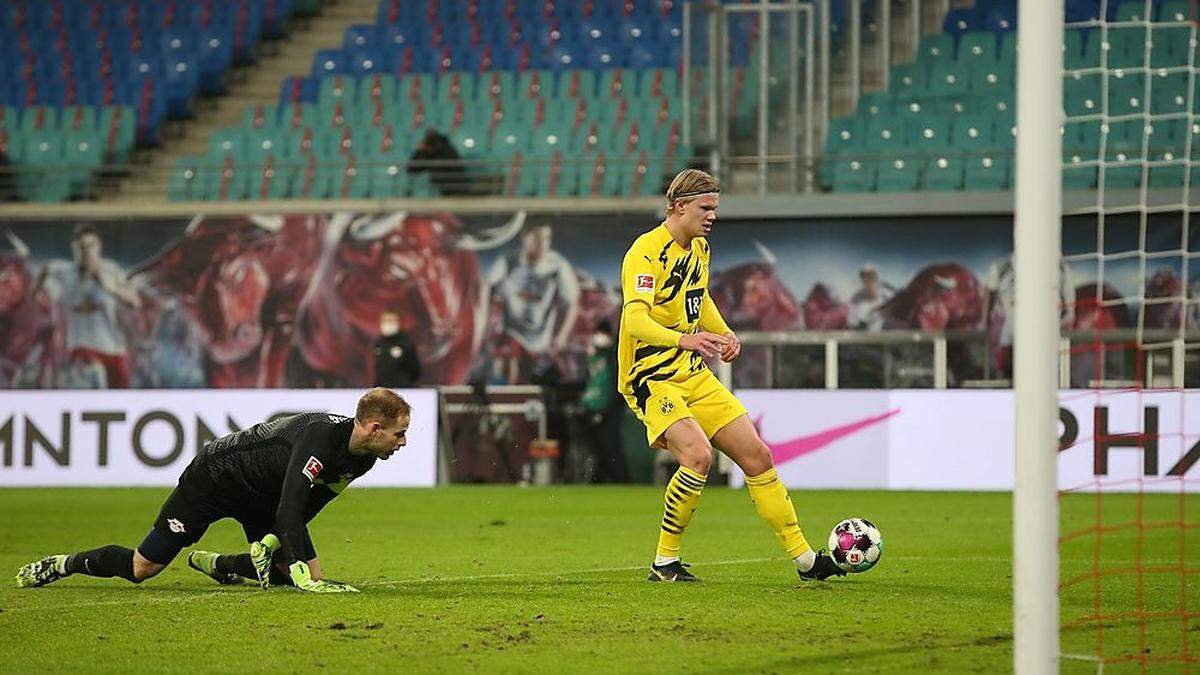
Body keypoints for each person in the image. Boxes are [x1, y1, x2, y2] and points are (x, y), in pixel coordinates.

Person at [618, 169, 844, 582]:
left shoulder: (699, 249)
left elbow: (697, 297)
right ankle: (665, 562)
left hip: (691, 372)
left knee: (757, 456)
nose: (712, 216)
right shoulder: (645, 252)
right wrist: (682, 340)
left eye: (715, 209)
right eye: (706, 208)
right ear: (679, 206)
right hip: (652, 374)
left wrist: (722, 332)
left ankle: (806, 561)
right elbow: (634, 320)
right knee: (698, 456)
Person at [15, 388, 411, 594]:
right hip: (215, 477)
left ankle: (218, 564)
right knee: (143, 567)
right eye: (399, 433)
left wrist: (277, 545)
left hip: (261, 496)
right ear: (375, 429)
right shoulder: (320, 438)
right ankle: (62, 564)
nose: (403, 442)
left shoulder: (363, 458)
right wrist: (300, 568)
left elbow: (311, 504)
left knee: (292, 573)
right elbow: (291, 505)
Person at [37, 223, 142, 388]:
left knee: (121, 400)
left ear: (98, 247)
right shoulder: (65, 272)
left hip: (113, 349)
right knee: (94, 376)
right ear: (74, 250)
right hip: (81, 348)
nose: (86, 252)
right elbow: (45, 270)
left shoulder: (111, 271)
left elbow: (135, 303)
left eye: (90, 246)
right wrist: (35, 292)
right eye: (81, 248)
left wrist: (110, 288)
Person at [486, 224, 581, 382]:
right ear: (525, 239)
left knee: (532, 377)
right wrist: (486, 320)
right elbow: (487, 286)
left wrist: (562, 336)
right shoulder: (509, 260)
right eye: (537, 238)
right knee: (508, 365)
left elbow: (572, 303)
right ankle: (508, 398)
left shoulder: (557, 265)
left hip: (540, 338)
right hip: (512, 331)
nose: (542, 244)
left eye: (546, 239)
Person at [577, 320, 628, 483]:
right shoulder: (593, 358)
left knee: (611, 446)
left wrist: (609, 407)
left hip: (610, 408)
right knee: (596, 447)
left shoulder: (614, 356)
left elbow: (616, 383)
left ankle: (621, 480)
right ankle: (599, 478)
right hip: (592, 406)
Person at [408, 127, 467, 196]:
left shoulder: (447, 148)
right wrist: (420, 151)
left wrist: (435, 155)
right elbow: (412, 169)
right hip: (442, 188)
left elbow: (451, 164)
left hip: (457, 187)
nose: (432, 144)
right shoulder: (427, 153)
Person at [373, 310, 422, 387]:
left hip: (403, 389)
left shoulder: (405, 341)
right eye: (385, 320)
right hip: (383, 389)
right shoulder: (379, 342)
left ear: (398, 322)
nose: (388, 323)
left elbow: (415, 369)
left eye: (391, 320)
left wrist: (406, 383)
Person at [847, 264, 895, 331]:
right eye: (865, 277)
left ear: (876, 277)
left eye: (872, 276)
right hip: (866, 337)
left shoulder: (888, 295)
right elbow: (852, 323)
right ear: (862, 279)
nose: (869, 280)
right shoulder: (856, 298)